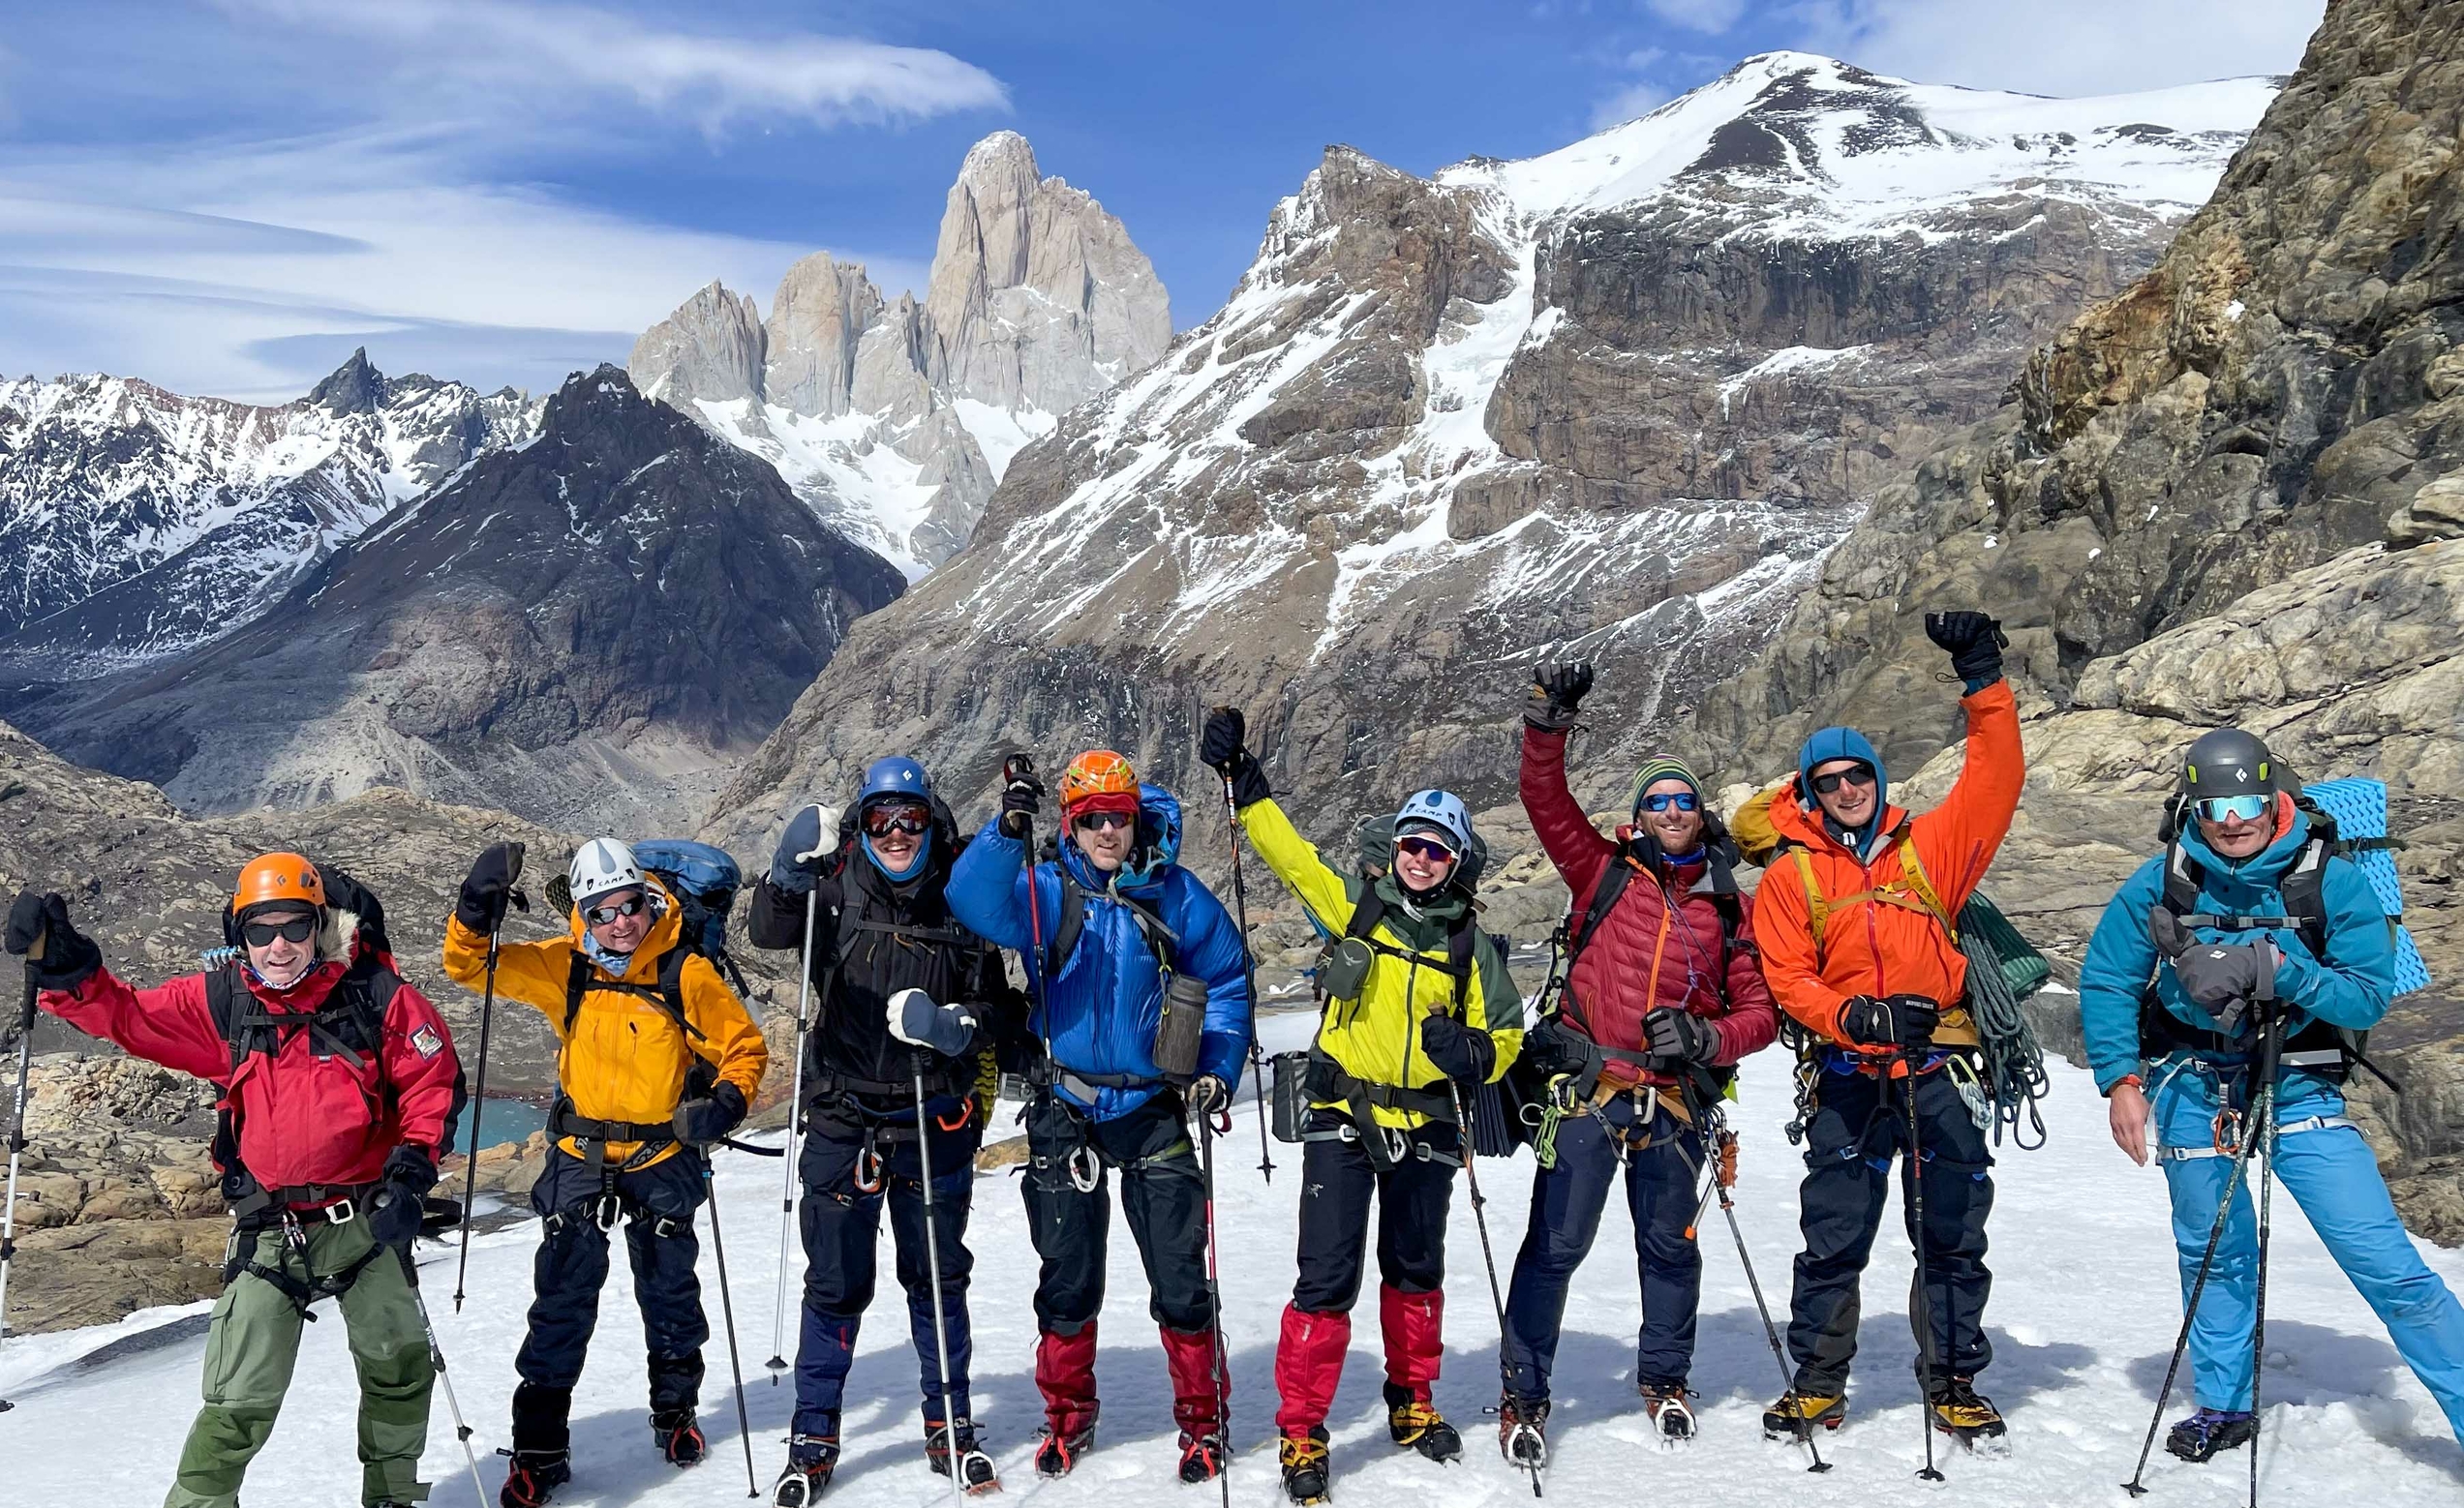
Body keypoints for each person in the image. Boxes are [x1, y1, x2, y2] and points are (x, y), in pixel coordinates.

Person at [6, 856, 460, 1508]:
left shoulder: (378, 998)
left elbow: (430, 1081)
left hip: (364, 1221)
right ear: (239, 933)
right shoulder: (222, 1002)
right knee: (237, 1399)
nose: (277, 945)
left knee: (398, 1372)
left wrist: (412, 1172)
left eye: (294, 926)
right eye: (259, 929)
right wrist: (70, 970)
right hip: (270, 1231)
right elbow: (129, 1018)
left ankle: (392, 1498)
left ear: (320, 924)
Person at [2079, 729, 2464, 1460]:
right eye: (2214, 803)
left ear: (2271, 792)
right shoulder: (2160, 879)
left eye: (2246, 799)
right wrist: (2120, 1081)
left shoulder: (2329, 881)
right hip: (2192, 1083)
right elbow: (2107, 981)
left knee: (2385, 1264)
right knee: (2213, 1252)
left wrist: (2277, 970)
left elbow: (2364, 1000)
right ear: (2192, 804)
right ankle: (2223, 1407)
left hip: (2297, 1081)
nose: (2231, 819)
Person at [1200, 709, 1523, 1505]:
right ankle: (1301, 1429)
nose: (1419, 859)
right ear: (1395, 848)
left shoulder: (1469, 947)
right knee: (1326, 1280)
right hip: (1342, 1122)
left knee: (1416, 1273)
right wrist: (1245, 785)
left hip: (1429, 1127)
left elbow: (1507, 1032)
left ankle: (1411, 1405)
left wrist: (1477, 1056)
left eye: (1436, 849)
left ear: (1455, 861)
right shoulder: (1355, 906)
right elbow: (1291, 857)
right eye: (1411, 843)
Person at [1751, 611, 2023, 1449]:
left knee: (1950, 1236)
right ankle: (1819, 1385)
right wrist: (1853, 1015)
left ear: (1875, 776)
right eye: (1828, 779)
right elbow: (1786, 977)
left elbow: (1994, 782)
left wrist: (1982, 681)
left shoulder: (1925, 852)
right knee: (1832, 1238)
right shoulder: (1790, 875)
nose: (1846, 789)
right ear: (1807, 790)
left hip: (1937, 1067)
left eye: (1857, 774)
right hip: (1846, 1074)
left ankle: (1952, 1383)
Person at [945, 748, 1253, 1485]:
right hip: (1067, 1105)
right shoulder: (1047, 890)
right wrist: (1004, 829)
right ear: (1072, 827)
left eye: (1117, 817)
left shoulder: (1176, 896)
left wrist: (1216, 1070)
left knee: (1180, 1277)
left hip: (1150, 1107)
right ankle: (1065, 1417)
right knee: (1067, 1275)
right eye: (1090, 820)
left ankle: (1203, 1422)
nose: (1106, 831)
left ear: (1135, 818)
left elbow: (1228, 984)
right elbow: (974, 902)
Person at [1501, 663, 1780, 1460]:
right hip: (1590, 1090)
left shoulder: (1731, 906)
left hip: (1674, 1102)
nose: (1668, 811)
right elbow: (1543, 803)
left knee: (1667, 1248)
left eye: (1682, 800)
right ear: (1637, 818)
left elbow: (1758, 1013)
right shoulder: (1603, 874)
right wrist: (1548, 725)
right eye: (1654, 801)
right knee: (1554, 1248)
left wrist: (1706, 1042)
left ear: (1701, 816)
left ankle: (1665, 1378)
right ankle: (1523, 1392)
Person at [445, 837, 770, 1508]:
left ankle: (674, 1416)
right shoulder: (561, 966)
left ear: (648, 900)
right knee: (561, 1303)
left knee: (670, 1295)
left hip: (661, 1154)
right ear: (582, 915)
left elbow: (742, 1047)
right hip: (580, 1156)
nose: (620, 923)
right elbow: (467, 966)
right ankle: (539, 1451)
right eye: (602, 912)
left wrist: (727, 1104)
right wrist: (474, 911)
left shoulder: (684, 972)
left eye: (630, 906)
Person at [746, 756, 1026, 1503]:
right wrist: (783, 877)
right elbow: (769, 929)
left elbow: (999, 1008)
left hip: (934, 1116)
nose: (896, 833)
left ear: (931, 823)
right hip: (845, 1115)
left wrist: (958, 1028)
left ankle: (950, 1423)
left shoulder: (961, 899)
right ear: (861, 827)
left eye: (909, 819)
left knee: (936, 1278)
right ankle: (813, 1434)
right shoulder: (832, 890)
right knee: (834, 1284)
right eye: (880, 820)